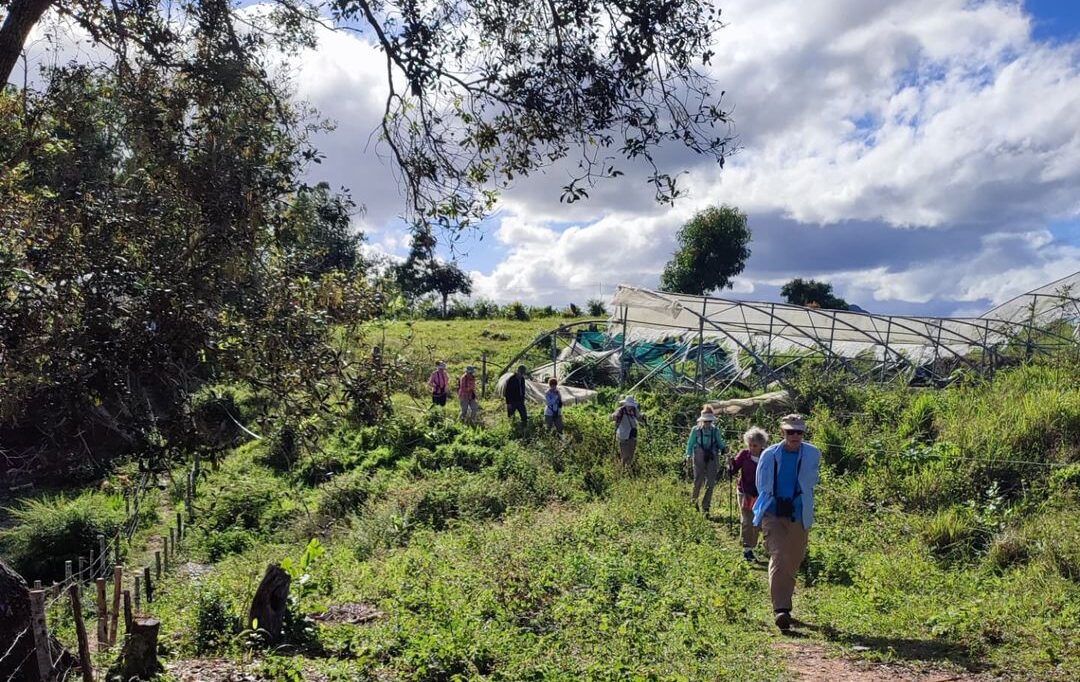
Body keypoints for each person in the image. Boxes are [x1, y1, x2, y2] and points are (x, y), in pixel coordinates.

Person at [752, 414, 821, 632]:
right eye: (790, 431)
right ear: (782, 432)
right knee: (779, 556)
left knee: (793, 559)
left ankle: (784, 602)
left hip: (799, 514)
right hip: (773, 512)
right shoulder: (769, 454)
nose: (795, 436)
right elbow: (762, 484)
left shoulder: (813, 453)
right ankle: (781, 609)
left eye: (799, 432)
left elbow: (812, 481)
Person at [729, 427, 768, 562]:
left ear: (761, 445)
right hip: (745, 491)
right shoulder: (744, 454)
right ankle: (746, 549)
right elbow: (734, 470)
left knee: (757, 521)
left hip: (760, 494)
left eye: (755, 445)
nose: (752, 448)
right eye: (750, 445)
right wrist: (730, 464)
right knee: (747, 519)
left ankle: (752, 547)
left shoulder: (766, 456)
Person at [684, 407, 727, 516]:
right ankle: (694, 502)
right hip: (699, 455)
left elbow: (720, 443)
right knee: (698, 480)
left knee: (710, 482)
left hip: (712, 456)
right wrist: (688, 455)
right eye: (706, 420)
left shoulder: (715, 431)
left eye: (709, 421)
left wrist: (725, 449)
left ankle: (706, 506)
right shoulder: (696, 430)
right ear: (702, 420)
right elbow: (690, 444)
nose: (708, 423)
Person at [611, 396, 646, 467]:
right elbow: (611, 417)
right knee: (625, 455)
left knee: (631, 454)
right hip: (623, 436)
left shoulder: (634, 410)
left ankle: (628, 469)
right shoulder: (621, 410)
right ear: (626, 404)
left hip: (633, 435)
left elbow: (639, 418)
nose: (630, 407)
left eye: (631, 405)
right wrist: (614, 416)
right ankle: (623, 470)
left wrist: (643, 417)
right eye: (629, 405)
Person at [504, 365, 529, 430]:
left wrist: (523, 398)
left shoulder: (522, 379)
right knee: (511, 417)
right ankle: (511, 429)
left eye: (523, 373)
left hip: (520, 400)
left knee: (524, 416)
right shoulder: (511, 379)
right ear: (518, 371)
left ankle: (524, 429)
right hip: (512, 401)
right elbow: (507, 392)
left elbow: (523, 389)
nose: (522, 375)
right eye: (521, 373)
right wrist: (508, 403)